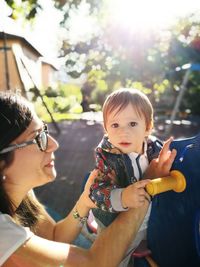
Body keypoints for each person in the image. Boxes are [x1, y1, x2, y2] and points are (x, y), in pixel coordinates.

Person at [0, 91, 152, 267]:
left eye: (45, 131)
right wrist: (146, 188)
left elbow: (54, 237)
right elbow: (95, 263)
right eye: (37, 138)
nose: (54, 144)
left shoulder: (22, 194)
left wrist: (85, 202)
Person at [89, 88, 177, 266]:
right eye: (115, 125)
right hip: (115, 220)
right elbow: (96, 192)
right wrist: (122, 196)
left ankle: (145, 243)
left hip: (148, 217)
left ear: (148, 127)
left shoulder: (152, 146)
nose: (124, 132)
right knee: (116, 258)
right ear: (106, 128)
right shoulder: (108, 157)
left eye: (132, 124)